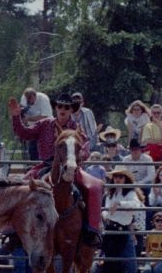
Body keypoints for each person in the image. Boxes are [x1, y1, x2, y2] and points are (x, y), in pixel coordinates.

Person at [8, 92, 105, 247]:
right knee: (20, 185)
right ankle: (13, 231)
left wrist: (80, 155)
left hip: (71, 166)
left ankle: (91, 229)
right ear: (55, 108)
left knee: (95, 186)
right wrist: (16, 117)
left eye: (67, 107)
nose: (63, 109)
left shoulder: (76, 129)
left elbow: (85, 149)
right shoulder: (44, 124)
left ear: (71, 110)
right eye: (60, 106)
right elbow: (23, 133)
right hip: (45, 165)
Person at [100, 167, 144, 273]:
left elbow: (136, 206)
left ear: (126, 179)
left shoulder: (130, 193)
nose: (118, 179)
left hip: (123, 231)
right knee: (112, 266)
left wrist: (119, 205)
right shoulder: (110, 194)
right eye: (116, 177)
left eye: (121, 177)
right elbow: (106, 213)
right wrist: (110, 214)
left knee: (131, 265)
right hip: (111, 231)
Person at [19, 87, 53, 159]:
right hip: (33, 128)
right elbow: (21, 109)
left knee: (45, 149)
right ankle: (33, 165)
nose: (29, 102)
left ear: (35, 96)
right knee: (32, 150)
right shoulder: (24, 98)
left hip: (46, 127)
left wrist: (29, 118)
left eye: (30, 99)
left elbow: (45, 116)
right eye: (27, 99)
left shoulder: (43, 99)